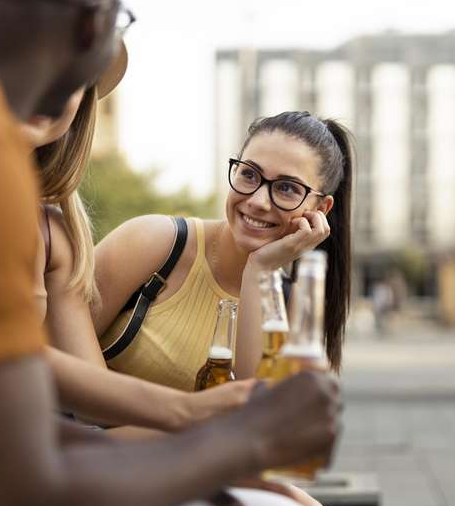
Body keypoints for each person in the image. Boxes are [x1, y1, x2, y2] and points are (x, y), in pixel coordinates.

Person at [0, 0, 340, 506]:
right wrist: (235, 444)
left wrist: (193, 418)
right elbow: (12, 484)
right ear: (92, 20)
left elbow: (12, 384)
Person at [22, 46, 254, 432]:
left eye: (73, 82)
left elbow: (94, 402)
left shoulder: (56, 232)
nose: (52, 93)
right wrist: (193, 417)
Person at [94, 111, 354, 390]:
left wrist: (260, 268)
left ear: (320, 209)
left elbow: (252, 415)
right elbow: (58, 362)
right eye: (249, 174)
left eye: (287, 188)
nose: (258, 201)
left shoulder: (290, 308)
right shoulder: (154, 243)